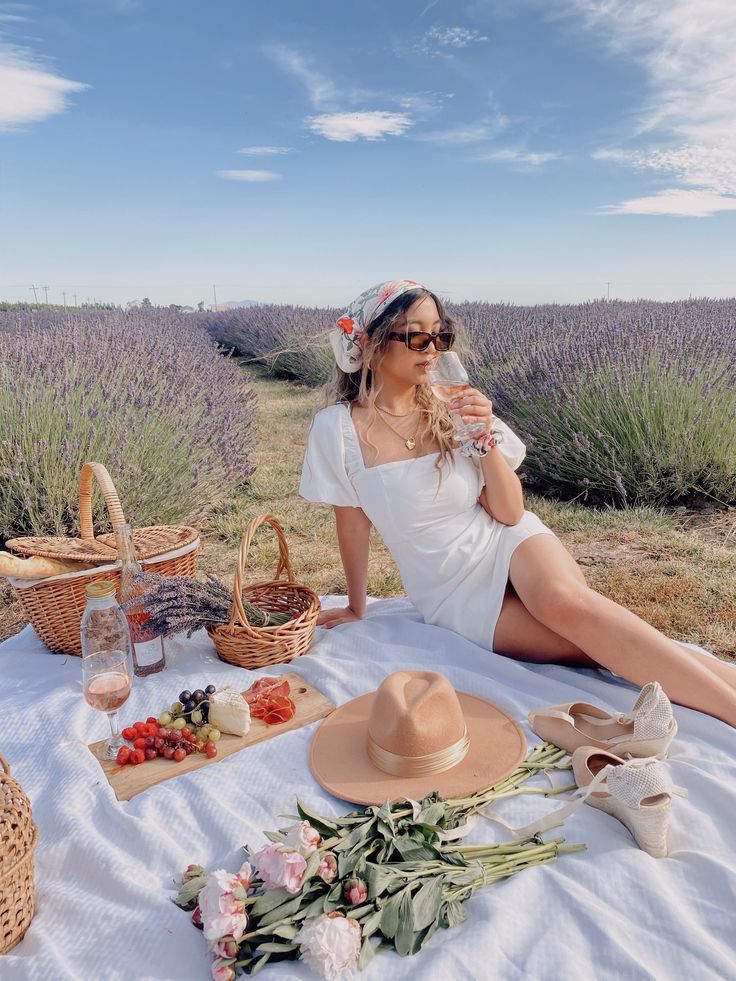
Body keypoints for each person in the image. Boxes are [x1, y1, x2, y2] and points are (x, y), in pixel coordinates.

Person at [299, 279, 736, 729]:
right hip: (451, 591)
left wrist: (483, 437)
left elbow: (508, 513)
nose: (432, 349)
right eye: (416, 335)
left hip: (507, 540)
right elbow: (350, 524)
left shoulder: (453, 406)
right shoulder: (337, 431)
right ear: (369, 341)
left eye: (440, 334)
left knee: (566, 604)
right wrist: (356, 606)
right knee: (591, 644)